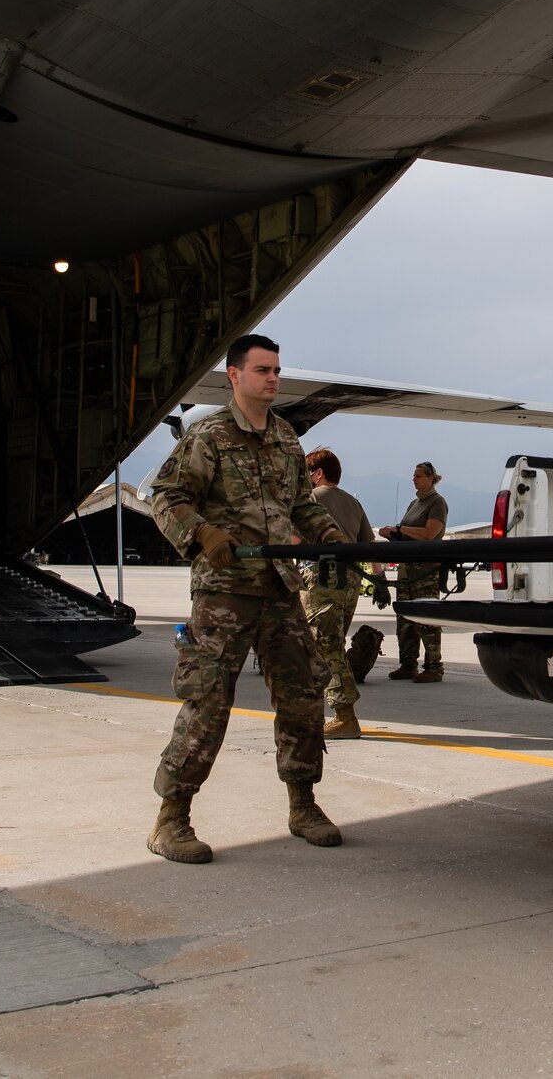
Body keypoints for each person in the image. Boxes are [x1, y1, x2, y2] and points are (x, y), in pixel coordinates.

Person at [145, 334, 352, 864]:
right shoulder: (209, 435)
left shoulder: (285, 437)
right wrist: (201, 533)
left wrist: (332, 536)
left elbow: (301, 505)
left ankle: (303, 805)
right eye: (263, 370)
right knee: (208, 700)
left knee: (304, 694)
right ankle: (171, 818)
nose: (273, 378)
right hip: (225, 592)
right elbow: (166, 496)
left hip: (279, 587)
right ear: (234, 375)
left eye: (277, 370)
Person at [300, 446, 374, 740]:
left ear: (317, 474)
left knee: (325, 646)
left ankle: (345, 716)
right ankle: (327, 710)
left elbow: (293, 537)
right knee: (333, 644)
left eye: (307, 472)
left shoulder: (311, 498)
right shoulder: (353, 503)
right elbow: (368, 544)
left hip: (323, 576)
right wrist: (379, 579)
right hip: (351, 577)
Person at [379, 461, 449, 682]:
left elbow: (429, 533)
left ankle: (434, 666)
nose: (414, 479)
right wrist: (392, 534)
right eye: (413, 476)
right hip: (406, 571)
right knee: (405, 620)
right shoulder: (414, 504)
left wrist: (400, 529)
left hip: (425, 571)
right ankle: (408, 664)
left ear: (430, 478)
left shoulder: (437, 503)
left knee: (427, 618)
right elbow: (410, 534)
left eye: (418, 476)